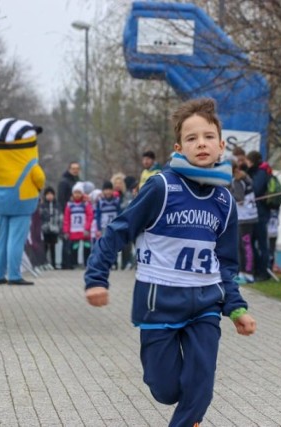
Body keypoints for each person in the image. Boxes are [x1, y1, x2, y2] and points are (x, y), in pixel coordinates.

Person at [84, 97, 256, 427]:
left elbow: (226, 263)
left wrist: (236, 307)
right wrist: (96, 279)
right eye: (192, 138)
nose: (201, 144)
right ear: (179, 147)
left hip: (205, 305)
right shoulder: (162, 187)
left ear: (221, 146)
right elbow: (117, 232)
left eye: (208, 137)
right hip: (158, 303)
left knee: (200, 388)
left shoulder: (225, 201)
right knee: (165, 390)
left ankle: (189, 416)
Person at [0, 117, 46, 285]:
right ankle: (13, 275)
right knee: (16, 239)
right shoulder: (28, 160)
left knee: (1, 238)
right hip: (21, 200)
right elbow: (39, 179)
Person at [245, 150, 272, 281]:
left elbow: (255, 189)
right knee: (251, 242)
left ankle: (263, 271)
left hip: (260, 213)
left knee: (262, 244)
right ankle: (257, 268)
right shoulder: (257, 172)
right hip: (255, 213)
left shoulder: (261, 173)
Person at [230, 161, 258, 283]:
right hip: (245, 216)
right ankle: (241, 272)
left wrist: (227, 195)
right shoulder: (244, 177)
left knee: (245, 245)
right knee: (241, 246)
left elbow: (239, 199)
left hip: (245, 217)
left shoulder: (237, 180)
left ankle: (248, 273)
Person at [63, 182, 94, 268]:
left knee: (86, 246)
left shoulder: (86, 204)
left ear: (82, 193)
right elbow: (66, 219)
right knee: (74, 247)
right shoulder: (69, 205)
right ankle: (74, 263)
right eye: (75, 193)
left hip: (84, 230)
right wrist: (66, 230)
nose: (77, 195)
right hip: (74, 229)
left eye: (79, 193)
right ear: (73, 194)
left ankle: (87, 263)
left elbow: (90, 216)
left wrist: (87, 228)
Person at [58, 162, 80, 269]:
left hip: (76, 214)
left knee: (74, 240)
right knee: (67, 239)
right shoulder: (64, 182)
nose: (75, 170)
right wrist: (64, 213)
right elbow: (61, 198)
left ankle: (72, 261)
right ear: (69, 169)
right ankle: (66, 263)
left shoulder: (77, 181)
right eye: (73, 168)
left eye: (77, 168)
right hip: (67, 214)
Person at [39, 187, 61, 269]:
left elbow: (60, 217)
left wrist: (59, 227)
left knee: (53, 247)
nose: (49, 196)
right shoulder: (42, 205)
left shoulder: (57, 205)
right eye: (47, 194)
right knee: (44, 247)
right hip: (44, 229)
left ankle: (54, 263)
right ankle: (44, 263)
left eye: (51, 194)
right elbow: (40, 217)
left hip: (54, 229)